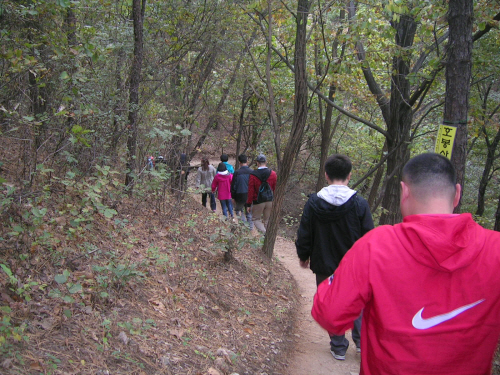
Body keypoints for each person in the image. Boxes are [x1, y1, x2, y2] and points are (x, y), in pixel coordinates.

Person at [312, 153, 500, 374]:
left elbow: (329, 314)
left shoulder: (376, 246)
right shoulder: (495, 249)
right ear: (457, 194)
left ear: (404, 191)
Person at [296, 154, 374, 360]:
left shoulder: (313, 203)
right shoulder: (359, 204)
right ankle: (361, 342)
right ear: (349, 176)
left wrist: (303, 255)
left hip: (323, 261)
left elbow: (305, 231)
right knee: (359, 301)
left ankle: (338, 346)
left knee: (331, 302)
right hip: (355, 265)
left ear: (326, 175)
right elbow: (369, 236)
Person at [246, 154, 277, 233]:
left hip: (258, 201)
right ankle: (268, 236)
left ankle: (264, 233)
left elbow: (251, 190)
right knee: (267, 220)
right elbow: (275, 188)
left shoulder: (253, 175)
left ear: (257, 163)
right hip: (270, 200)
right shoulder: (273, 174)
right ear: (266, 162)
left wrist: (248, 204)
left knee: (256, 219)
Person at [231, 154, 253, 229]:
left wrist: (233, 196)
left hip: (239, 195)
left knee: (239, 211)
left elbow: (233, 185)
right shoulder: (252, 172)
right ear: (247, 161)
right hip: (250, 195)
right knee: (249, 213)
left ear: (239, 162)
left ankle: (243, 226)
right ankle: (250, 228)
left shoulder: (237, 173)